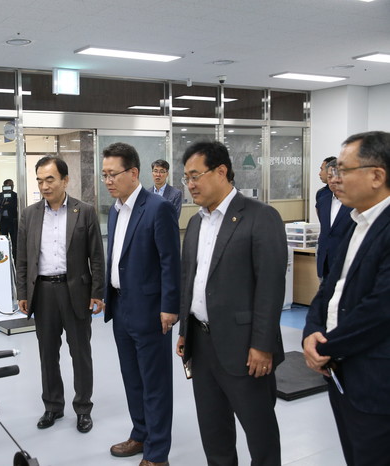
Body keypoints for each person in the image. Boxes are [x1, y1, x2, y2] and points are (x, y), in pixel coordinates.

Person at [175, 141, 287, 466]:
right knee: (214, 432)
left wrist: (262, 345)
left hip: (245, 348)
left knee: (260, 434)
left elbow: (270, 287)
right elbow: (190, 279)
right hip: (201, 343)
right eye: (186, 178)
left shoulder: (260, 216)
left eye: (195, 176)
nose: (190, 184)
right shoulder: (196, 222)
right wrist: (185, 330)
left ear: (221, 171)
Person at [303, 131, 390, 466]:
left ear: (377, 176)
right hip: (342, 374)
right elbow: (329, 288)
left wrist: (325, 348)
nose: (334, 179)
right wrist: (312, 331)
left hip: (376, 381)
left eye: (343, 170)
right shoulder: (357, 222)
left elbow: (380, 310)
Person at [102, 143, 180, 466]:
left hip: (151, 310)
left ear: (133, 173)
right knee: (132, 377)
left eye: (113, 174)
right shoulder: (114, 211)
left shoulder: (157, 208)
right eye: (104, 175)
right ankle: (141, 432)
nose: (108, 181)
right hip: (120, 306)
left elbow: (170, 261)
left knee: (155, 382)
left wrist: (170, 306)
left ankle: (157, 453)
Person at [16, 156, 105, 433]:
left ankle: (83, 408)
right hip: (42, 292)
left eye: (50, 179)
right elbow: (22, 258)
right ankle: (53, 406)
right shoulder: (29, 214)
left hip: (75, 291)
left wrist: (97, 292)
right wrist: (23, 292)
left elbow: (96, 257)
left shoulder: (84, 211)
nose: (44, 186)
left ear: (65, 180)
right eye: (40, 180)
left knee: (80, 352)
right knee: (47, 353)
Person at [315, 159, 353, 280]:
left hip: (346, 261)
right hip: (325, 260)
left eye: (337, 176)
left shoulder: (355, 202)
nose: (332, 180)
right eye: (330, 176)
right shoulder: (323, 200)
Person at [0, 179, 18, 258]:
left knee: (14, 240)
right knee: (3, 239)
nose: (10, 187)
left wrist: (4, 204)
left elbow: (14, 205)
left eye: (11, 185)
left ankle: (14, 257)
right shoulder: (1, 195)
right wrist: (2, 202)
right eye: (7, 186)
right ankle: (4, 257)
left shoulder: (14, 195)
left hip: (12, 221)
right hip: (3, 220)